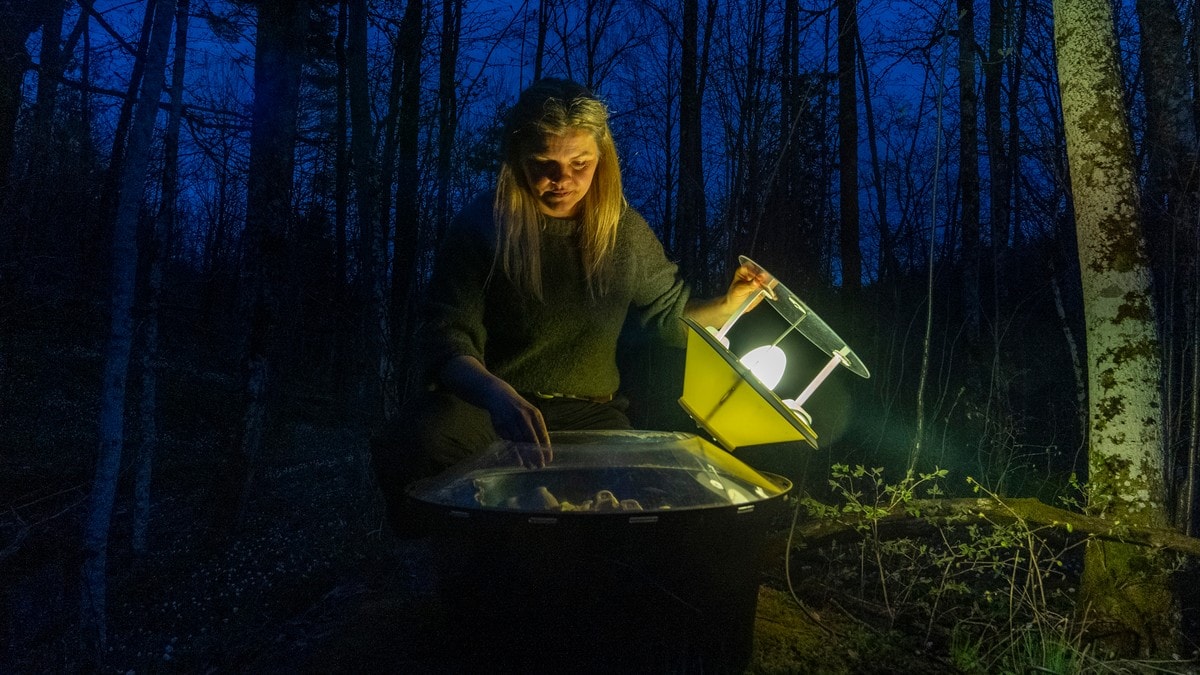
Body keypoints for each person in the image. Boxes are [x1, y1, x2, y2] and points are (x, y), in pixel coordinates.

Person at [372, 78, 764, 536]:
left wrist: (731, 302)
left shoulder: (623, 232)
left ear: (602, 159)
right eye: (545, 164)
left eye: (581, 163)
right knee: (416, 440)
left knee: (656, 482)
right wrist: (498, 397)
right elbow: (446, 337)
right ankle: (432, 561)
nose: (563, 179)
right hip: (493, 409)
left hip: (591, 412)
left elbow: (670, 319)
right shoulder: (483, 226)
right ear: (518, 159)